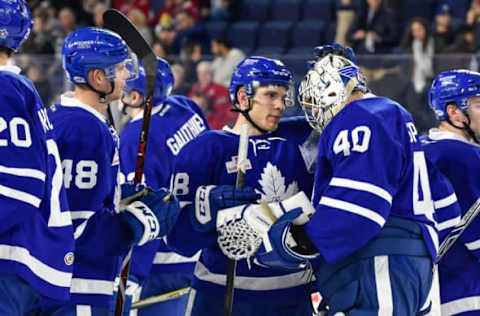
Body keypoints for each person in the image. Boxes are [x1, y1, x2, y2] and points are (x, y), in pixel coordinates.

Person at [250, 51, 457, 315]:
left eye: (315, 100)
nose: (314, 111)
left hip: (380, 261)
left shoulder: (358, 116)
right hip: (413, 264)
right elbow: (446, 204)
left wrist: (304, 240)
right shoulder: (393, 115)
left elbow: (361, 206)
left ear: (333, 90)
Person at [43, 27, 182, 315]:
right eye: (120, 68)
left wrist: (119, 195)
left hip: (70, 285)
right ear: (97, 78)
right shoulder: (84, 130)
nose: (127, 76)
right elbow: (76, 227)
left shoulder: (75, 120)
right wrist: (136, 224)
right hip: (78, 289)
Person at [167, 56, 318, 316]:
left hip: (294, 298)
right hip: (220, 296)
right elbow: (177, 241)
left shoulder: (302, 138)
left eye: (284, 96)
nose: (280, 105)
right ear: (243, 96)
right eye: (271, 94)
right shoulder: (205, 149)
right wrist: (201, 215)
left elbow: (354, 121)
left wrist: (352, 86)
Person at [118, 57, 210, 316]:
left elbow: (143, 208)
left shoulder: (136, 136)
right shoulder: (187, 106)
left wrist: (132, 273)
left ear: (135, 97)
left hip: (162, 262)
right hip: (198, 247)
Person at [0, 0, 74, 314]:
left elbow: (22, 186)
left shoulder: (5, 89)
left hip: (12, 260)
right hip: (27, 258)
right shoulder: (16, 87)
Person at [422, 69, 480, 316]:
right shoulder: (463, 155)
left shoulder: (422, 148)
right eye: (479, 104)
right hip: (468, 293)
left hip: (430, 292)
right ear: (454, 112)